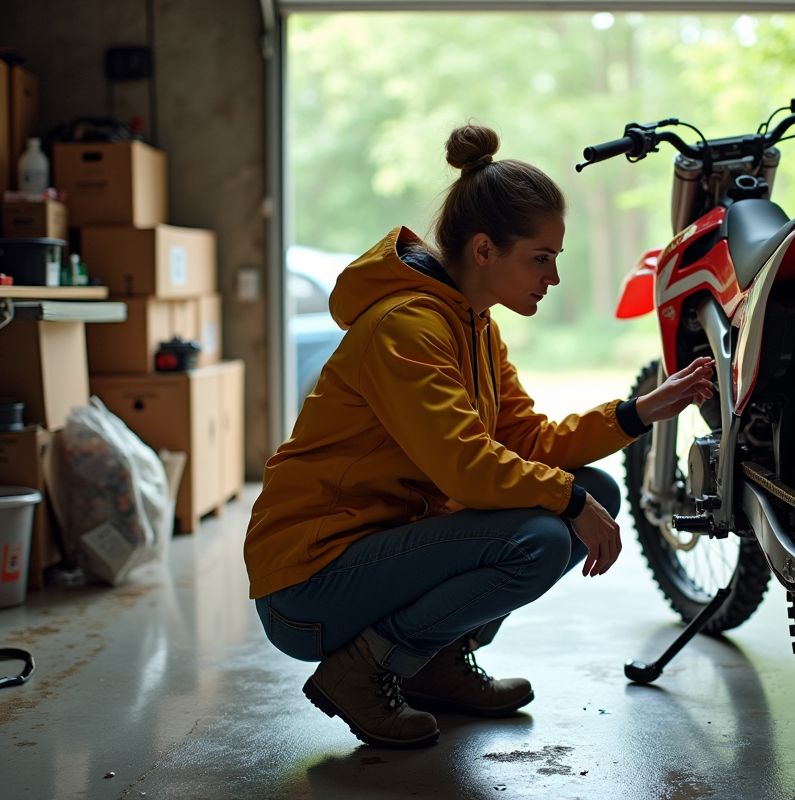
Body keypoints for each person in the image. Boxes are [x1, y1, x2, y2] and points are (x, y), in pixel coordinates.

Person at [244, 123, 714, 749]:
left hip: (379, 552)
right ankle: (364, 669)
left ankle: (433, 663)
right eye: (540, 258)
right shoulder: (405, 328)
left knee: (593, 489)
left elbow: (528, 442)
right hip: (308, 584)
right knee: (542, 537)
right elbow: (466, 468)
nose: (552, 276)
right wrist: (569, 500)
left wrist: (637, 413)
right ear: (486, 250)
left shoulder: (475, 327)